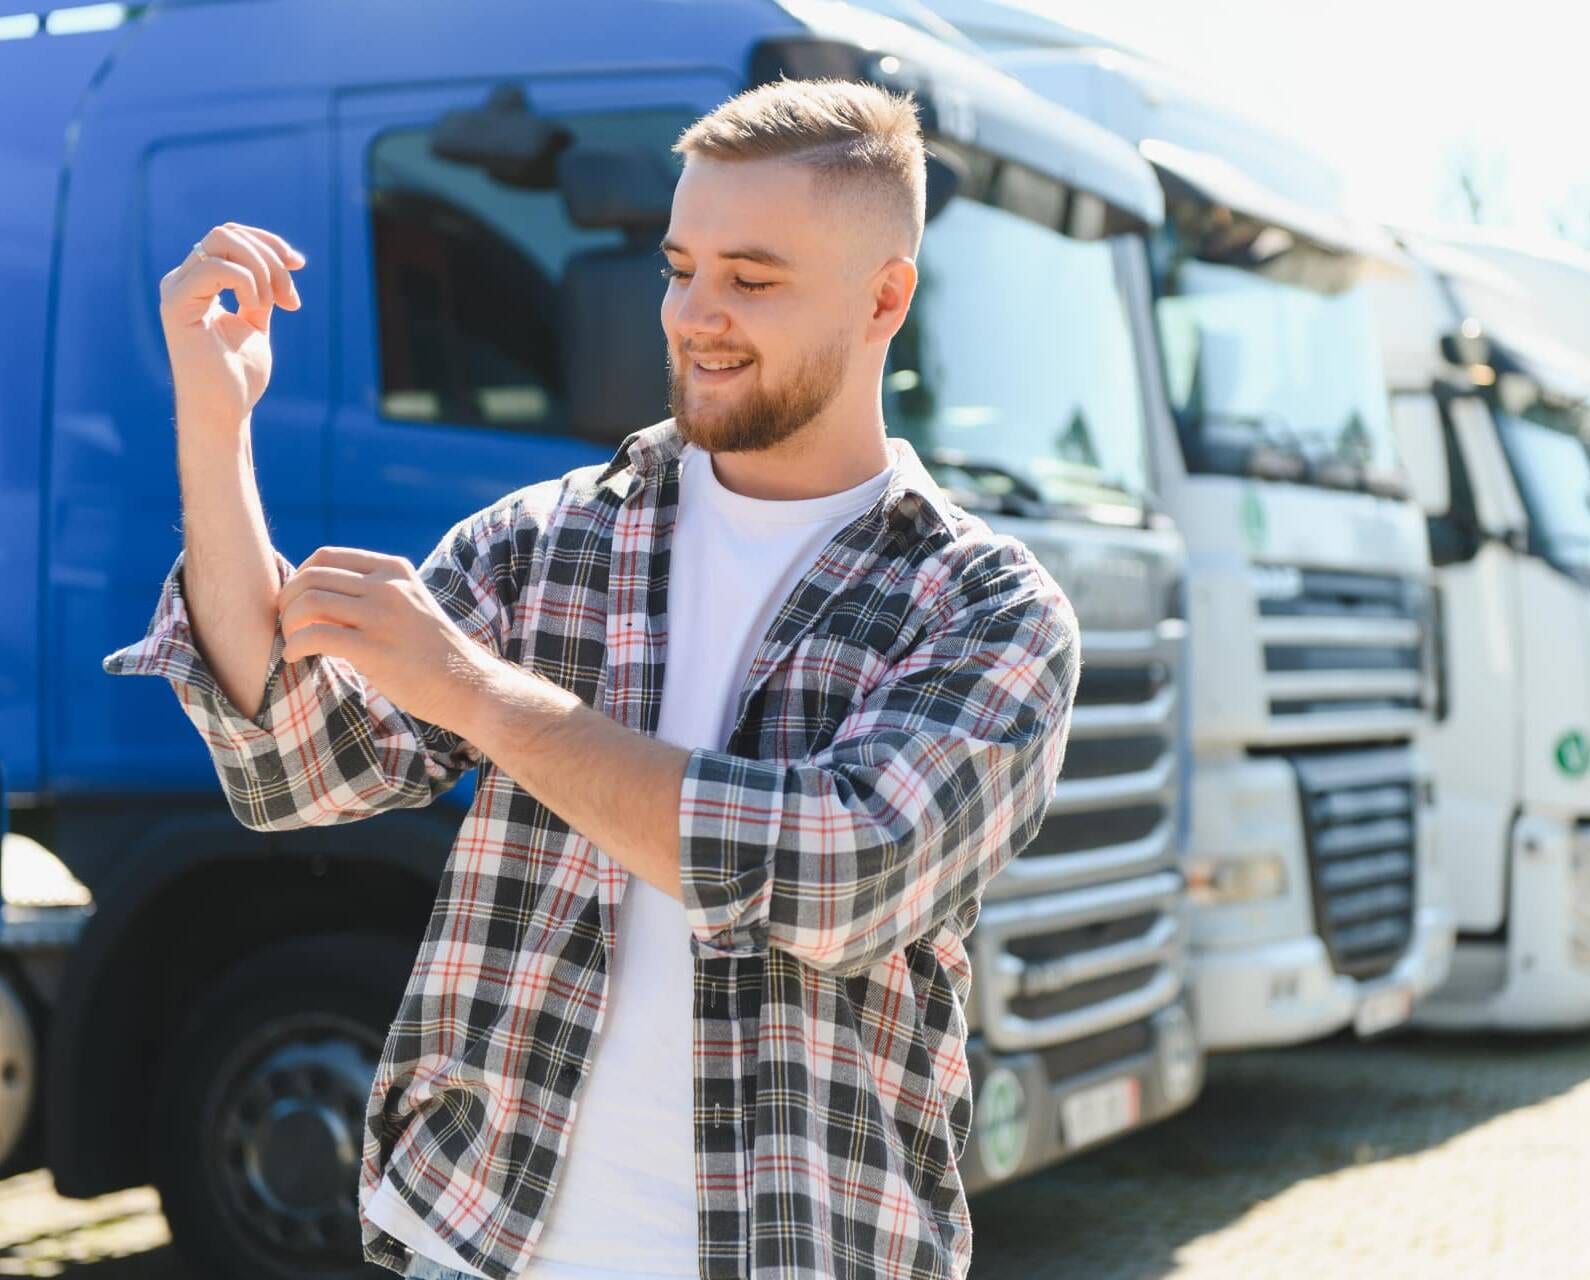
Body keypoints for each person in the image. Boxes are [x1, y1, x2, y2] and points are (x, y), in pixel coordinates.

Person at [102, 77, 1081, 1280]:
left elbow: (836, 875)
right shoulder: (549, 537)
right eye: (678, 268)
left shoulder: (982, 604)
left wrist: (470, 688)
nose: (692, 315)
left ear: (886, 296)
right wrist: (216, 421)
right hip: (474, 1242)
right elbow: (301, 764)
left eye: (750, 279)